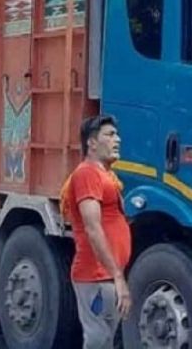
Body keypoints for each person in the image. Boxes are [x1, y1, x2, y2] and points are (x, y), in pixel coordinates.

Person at [61, 114, 131, 349]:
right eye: (110, 135)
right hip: (95, 275)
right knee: (98, 339)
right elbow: (93, 228)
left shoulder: (105, 176)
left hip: (106, 275)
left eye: (117, 134)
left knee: (105, 340)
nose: (117, 140)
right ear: (91, 143)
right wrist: (118, 276)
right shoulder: (87, 174)